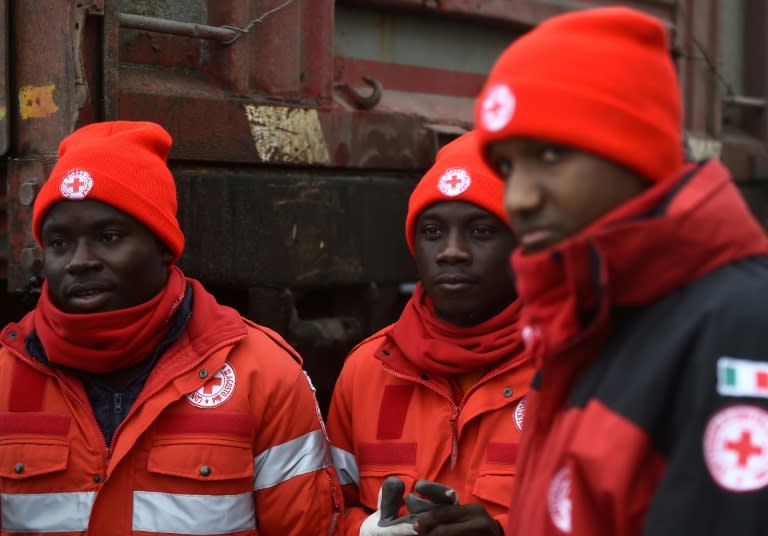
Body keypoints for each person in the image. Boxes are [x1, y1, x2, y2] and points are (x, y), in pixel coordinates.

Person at [473, 6, 768, 536]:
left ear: (636, 153)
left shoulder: (738, 328)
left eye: (550, 154)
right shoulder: (580, 321)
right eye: (507, 166)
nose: (517, 198)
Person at [0, 121, 341, 535]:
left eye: (108, 236)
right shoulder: (6, 378)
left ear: (163, 245)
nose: (79, 260)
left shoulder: (264, 376)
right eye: (59, 242)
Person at [326, 130, 533, 536]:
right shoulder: (367, 371)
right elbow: (328, 509)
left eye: (482, 231)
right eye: (433, 231)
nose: (450, 251)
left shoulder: (575, 368)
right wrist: (364, 532)